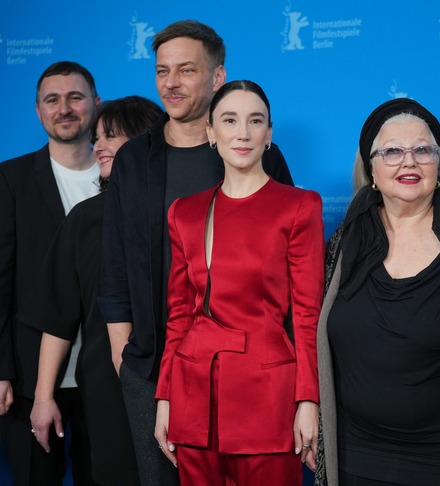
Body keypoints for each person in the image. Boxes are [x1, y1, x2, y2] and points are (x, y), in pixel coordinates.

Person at [98, 20, 294, 486]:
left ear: (218, 77)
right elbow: (115, 264)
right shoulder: (133, 160)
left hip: (244, 372)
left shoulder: (259, 154)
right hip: (152, 369)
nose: (171, 82)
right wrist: (126, 357)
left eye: (186, 70)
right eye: (162, 70)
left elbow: (288, 269)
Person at [315, 98, 440, 486]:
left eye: (422, 150)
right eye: (391, 151)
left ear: (439, 165)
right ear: (371, 168)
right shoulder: (343, 243)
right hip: (353, 454)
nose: (408, 162)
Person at [153, 80, 323, 484]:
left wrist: (309, 399)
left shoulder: (299, 207)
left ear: (269, 134)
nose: (242, 133)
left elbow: (307, 315)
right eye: (229, 120)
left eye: (255, 121)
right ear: (211, 132)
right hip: (193, 398)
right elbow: (179, 315)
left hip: (266, 399)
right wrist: (165, 397)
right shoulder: (185, 213)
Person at [21, 96, 163, 486]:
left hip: (179, 381)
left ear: (147, 140)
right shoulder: (83, 220)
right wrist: (44, 397)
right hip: (106, 389)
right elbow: (58, 318)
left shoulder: (183, 211)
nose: (98, 145)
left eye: (112, 136)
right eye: (97, 136)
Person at [0, 61, 101, 485]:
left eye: (75, 97)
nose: (64, 108)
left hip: (105, 374)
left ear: (96, 105)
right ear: (39, 110)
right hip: (28, 375)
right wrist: (1, 367)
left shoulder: (125, 174)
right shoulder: (11, 179)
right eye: (52, 100)